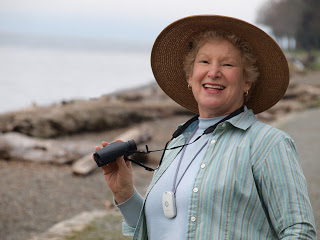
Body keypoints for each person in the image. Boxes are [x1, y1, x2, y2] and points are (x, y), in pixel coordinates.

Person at [94, 15, 316, 239]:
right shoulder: (178, 143)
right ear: (190, 76)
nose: (213, 72)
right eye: (204, 62)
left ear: (247, 81)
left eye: (227, 64)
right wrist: (124, 193)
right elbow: (155, 230)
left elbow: (299, 232)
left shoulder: (268, 144)